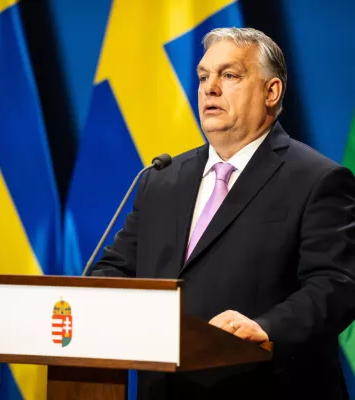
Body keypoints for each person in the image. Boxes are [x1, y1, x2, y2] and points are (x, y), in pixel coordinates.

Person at [90, 27, 355, 399]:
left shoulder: (317, 179)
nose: (209, 88)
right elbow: (117, 271)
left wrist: (265, 329)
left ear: (271, 91)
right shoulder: (162, 179)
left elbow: (336, 286)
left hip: (266, 386)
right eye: (203, 76)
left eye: (229, 75)